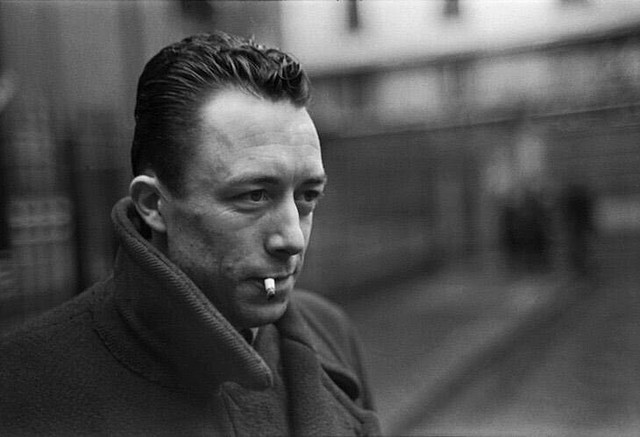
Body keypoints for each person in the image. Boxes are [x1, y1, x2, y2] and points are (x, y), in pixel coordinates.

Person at [0, 31, 380, 435]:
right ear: (153, 204)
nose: (292, 239)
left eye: (307, 196)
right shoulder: (24, 386)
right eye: (254, 195)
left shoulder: (328, 331)